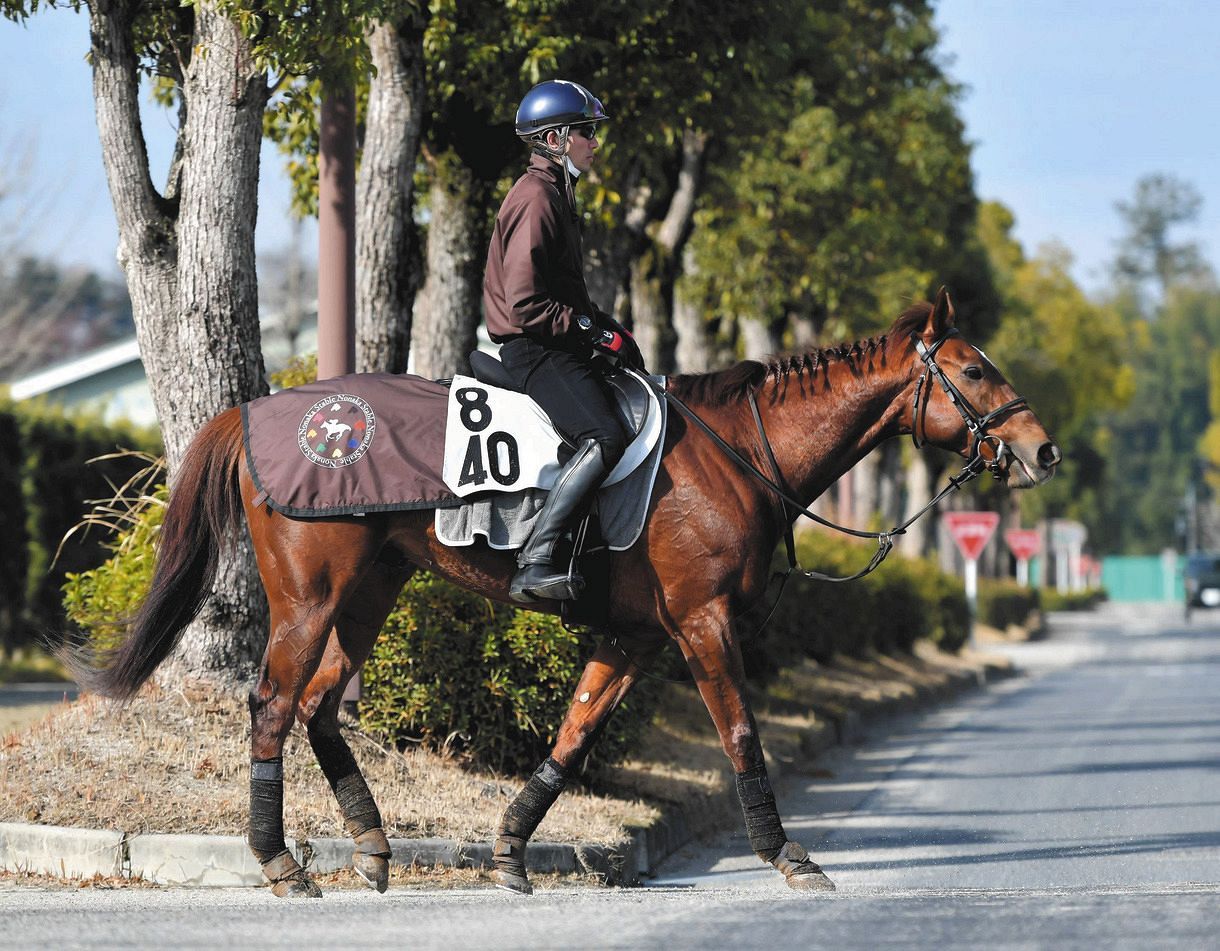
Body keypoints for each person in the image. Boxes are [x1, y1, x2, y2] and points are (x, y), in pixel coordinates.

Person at [483, 79, 645, 604]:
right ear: (555, 139)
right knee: (604, 436)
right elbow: (529, 306)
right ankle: (537, 559)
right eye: (585, 132)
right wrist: (593, 333)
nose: (594, 142)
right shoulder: (535, 198)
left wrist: (612, 331)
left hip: (554, 343)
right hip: (534, 349)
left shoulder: (554, 193)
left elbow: (567, 296)